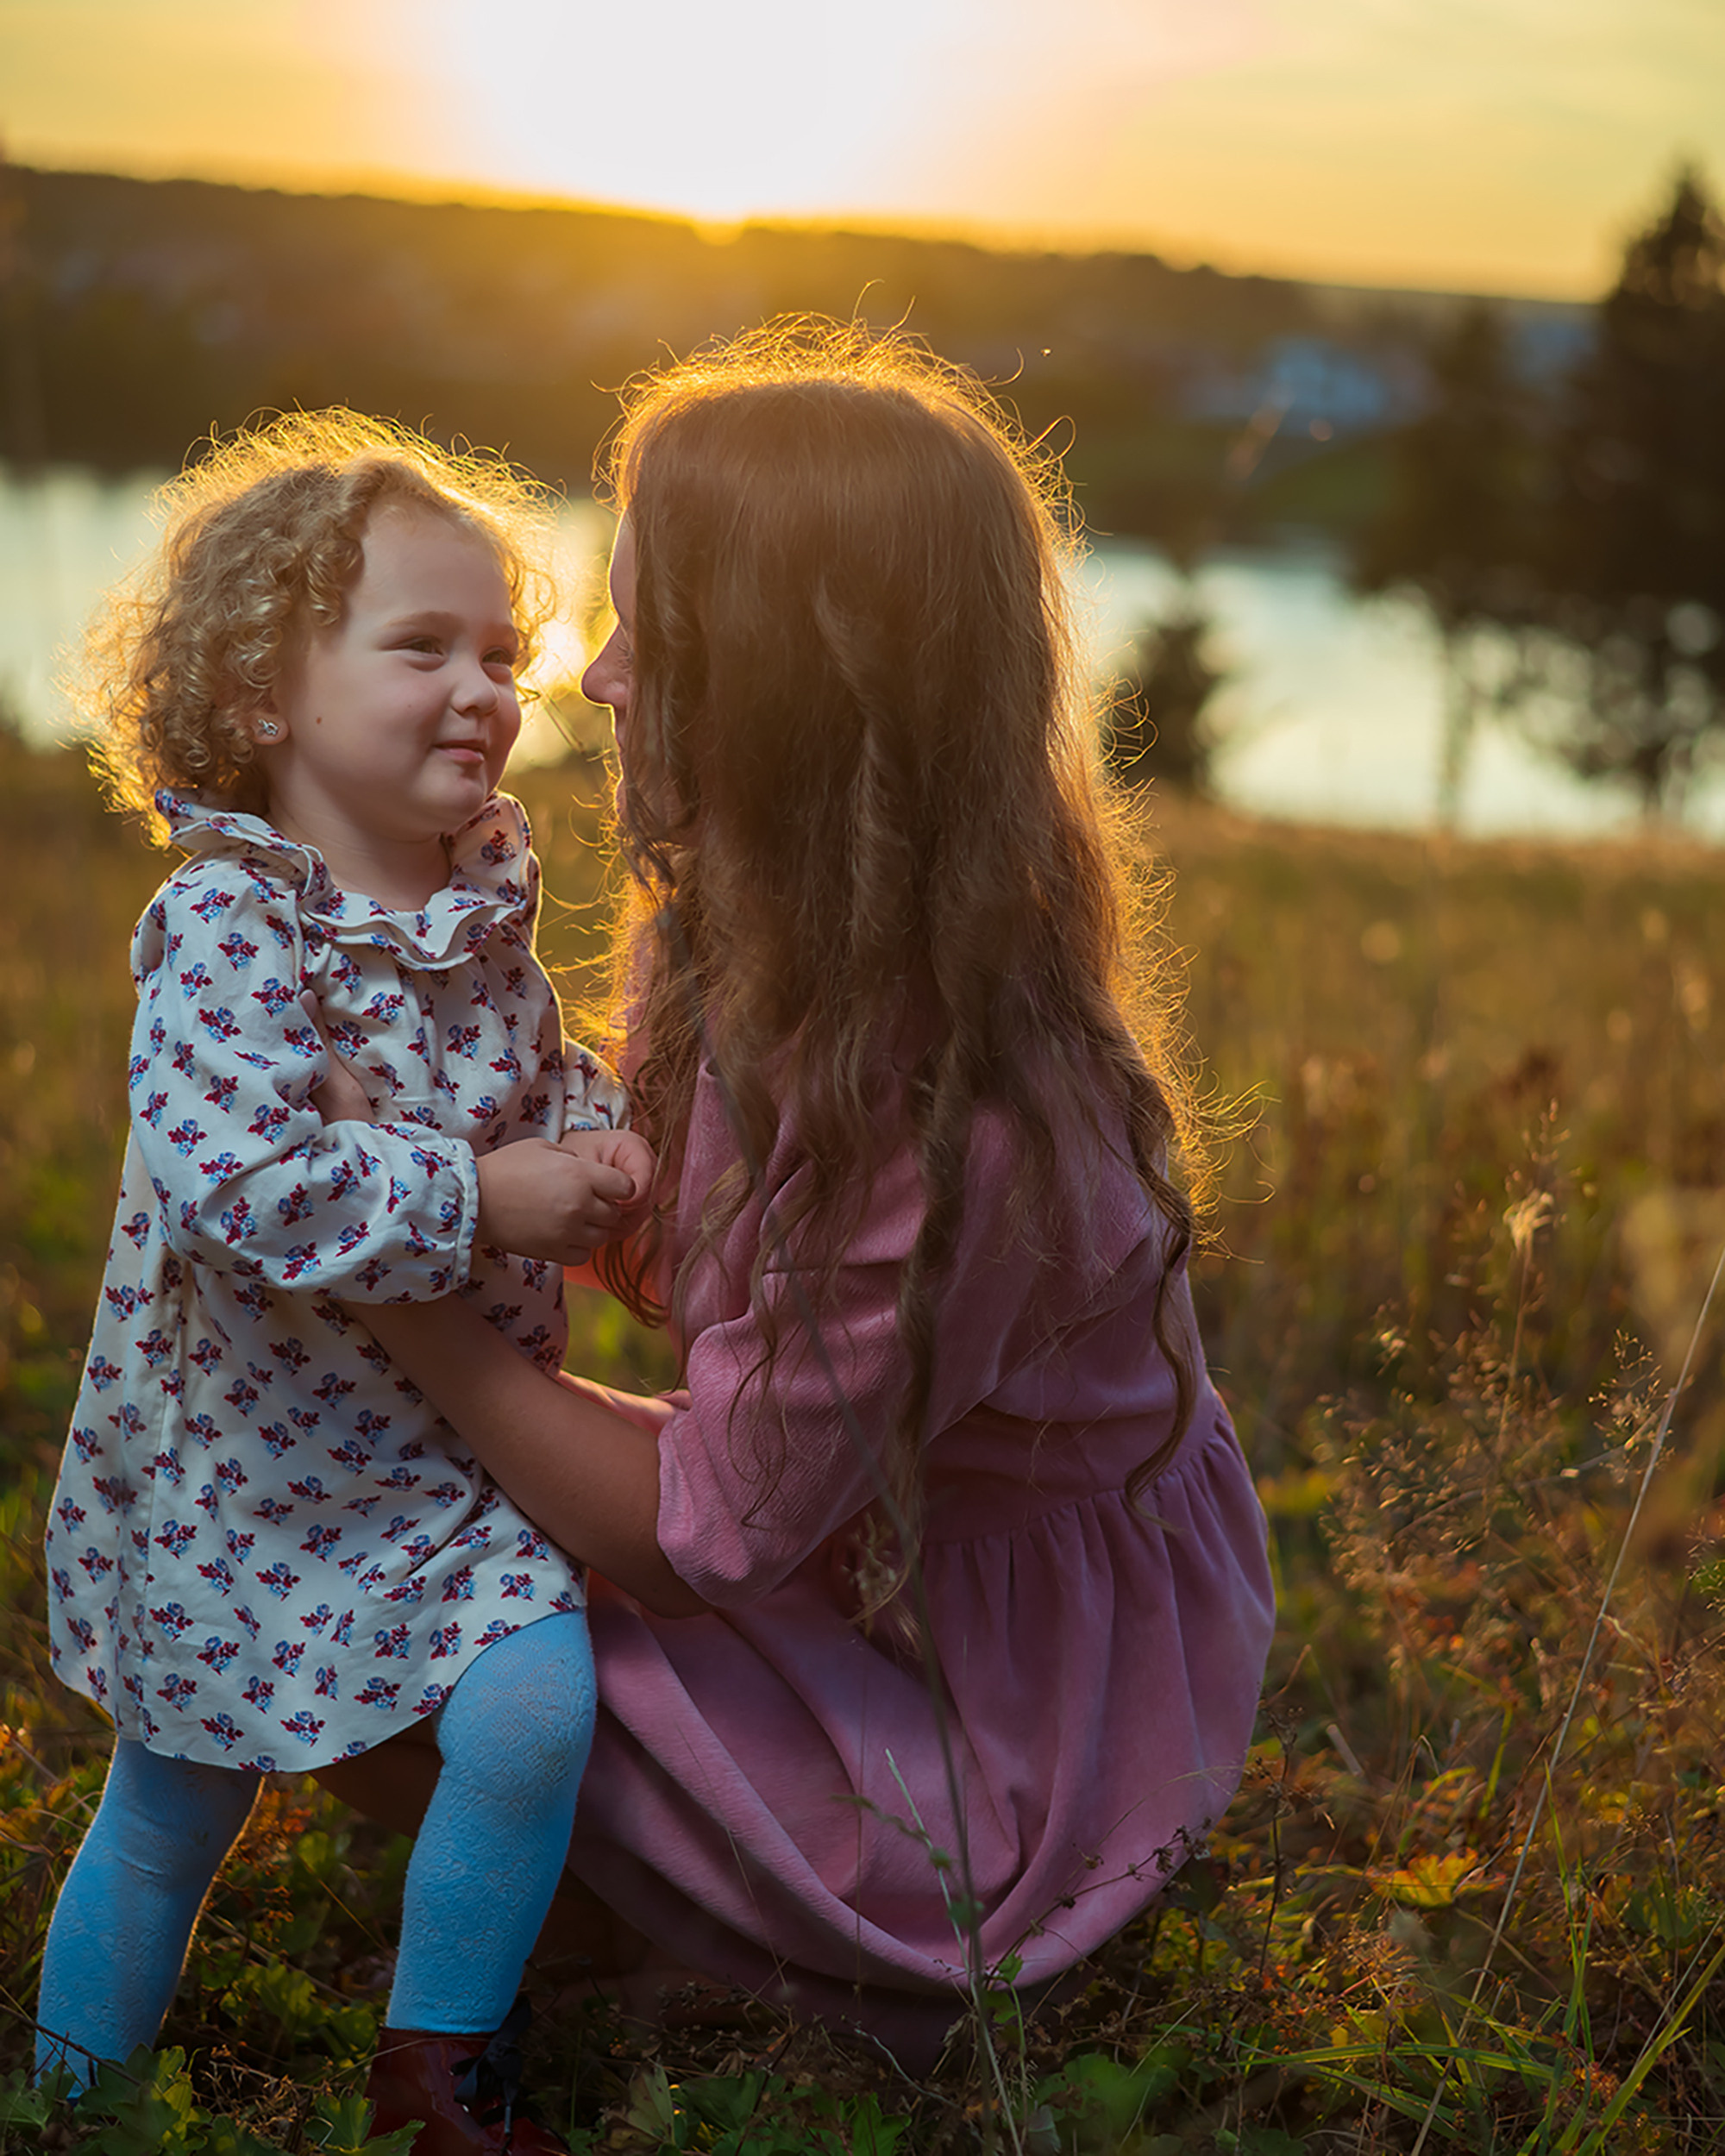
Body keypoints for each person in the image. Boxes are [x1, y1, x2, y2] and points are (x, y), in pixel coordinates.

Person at [315, 321, 1277, 2074]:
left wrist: (397, 1288)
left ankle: (765, 1950)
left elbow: (705, 1528)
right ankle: (647, 1900)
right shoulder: (724, 921)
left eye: (646, 637)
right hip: (844, 1511)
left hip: (995, 1679)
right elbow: (683, 1255)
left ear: (787, 693)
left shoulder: (963, 1113)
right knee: (322, 1574)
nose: (593, 681)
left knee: (363, 1636)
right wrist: (463, 1157)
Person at [37, 410, 654, 2153]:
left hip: (445, 1461)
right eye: (422, 647)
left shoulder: (486, 898)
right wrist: (475, 1193)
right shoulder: (229, 932)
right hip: (239, 1466)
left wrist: (600, 1135)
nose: (483, 687)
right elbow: (240, 1183)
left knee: (534, 1706)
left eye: (502, 654)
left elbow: (534, 1072)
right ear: (262, 697)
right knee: (174, 1796)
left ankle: (435, 2075)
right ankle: (75, 2097)